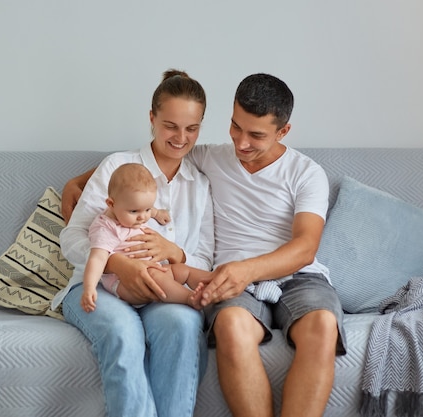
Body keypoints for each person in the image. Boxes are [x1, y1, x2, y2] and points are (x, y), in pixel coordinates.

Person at [61, 73, 347, 417]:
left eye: (256, 135)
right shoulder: (190, 161)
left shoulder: (284, 173)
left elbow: (295, 248)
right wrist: (79, 183)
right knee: (169, 331)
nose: (241, 143)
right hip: (142, 284)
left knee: (190, 327)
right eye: (235, 127)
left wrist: (190, 258)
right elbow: (138, 167)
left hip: (212, 283)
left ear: (283, 131)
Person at [51, 69, 214, 417]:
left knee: (183, 326)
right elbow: (72, 237)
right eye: (170, 125)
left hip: (162, 290)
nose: (181, 137)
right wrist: (119, 265)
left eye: (192, 128)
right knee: (122, 332)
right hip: (101, 289)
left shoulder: (199, 185)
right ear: (152, 119)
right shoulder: (117, 167)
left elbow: (204, 256)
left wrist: (176, 253)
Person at [82, 162, 211, 313]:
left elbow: (142, 206)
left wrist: (156, 213)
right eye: (134, 211)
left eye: (148, 209)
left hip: (153, 269)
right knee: (156, 275)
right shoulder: (106, 228)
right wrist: (89, 288)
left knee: (183, 270)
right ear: (111, 204)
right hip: (127, 284)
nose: (143, 217)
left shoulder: (131, 208)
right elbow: (97, 259)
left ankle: (214, 285)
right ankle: (190, 298)